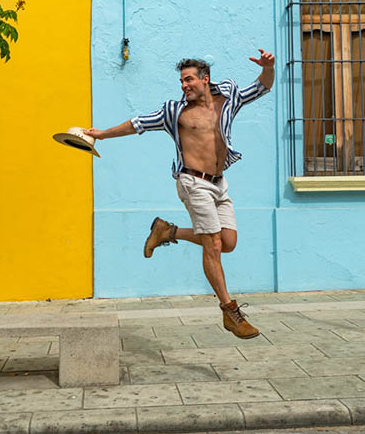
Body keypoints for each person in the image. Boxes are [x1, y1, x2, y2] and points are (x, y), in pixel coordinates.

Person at [84, 49, 275, 339]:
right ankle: (230, 312)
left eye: (188, 80)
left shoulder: (229, 99)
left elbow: (263, 86)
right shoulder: (175, 112)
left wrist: (268, 67)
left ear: (204, 79)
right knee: (212, 244)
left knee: (228, 242)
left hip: (219, 183)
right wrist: (101, 134)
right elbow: (137, 124)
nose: (184, 86)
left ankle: (167, 231)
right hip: (192, 182)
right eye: (182, 82)